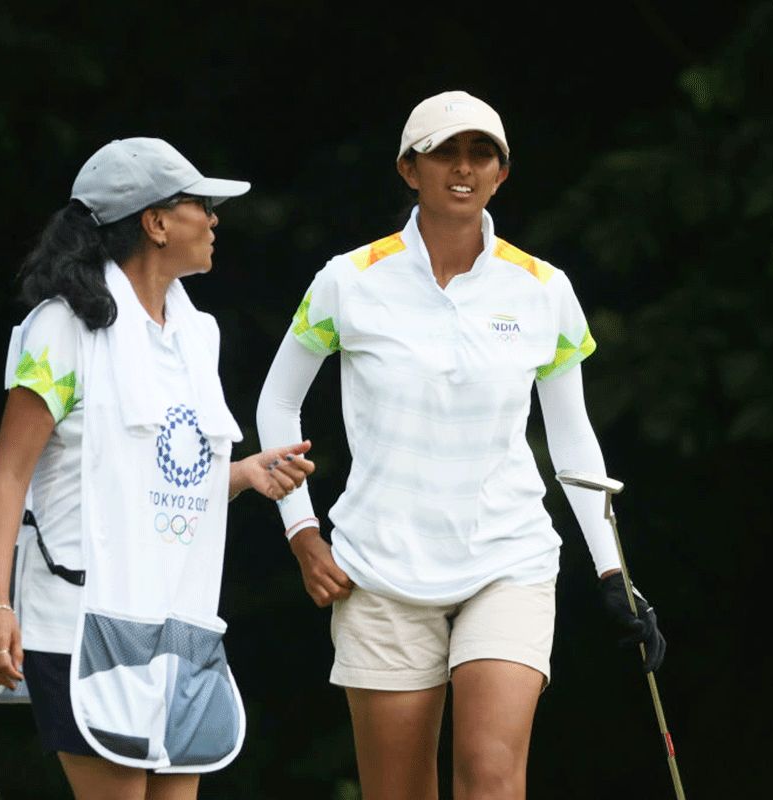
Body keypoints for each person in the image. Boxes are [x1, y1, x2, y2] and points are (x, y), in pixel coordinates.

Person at [255, 91, 667, 800]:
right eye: (444, 151)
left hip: (507, 558)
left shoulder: (543, 289)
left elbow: (572, 438)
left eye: (482, 154)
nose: (464, 167)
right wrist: (302, 532)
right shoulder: (348, 280)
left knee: (491, 780)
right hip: (377, 567)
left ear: (502, 175)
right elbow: (277, 400)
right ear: (407, 169)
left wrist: (612, 573)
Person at [0, 137, 315, 800]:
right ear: (156, 222)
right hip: (80, 625)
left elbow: (151, 477)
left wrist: (242, 474)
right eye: (201, 206)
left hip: (177, 628)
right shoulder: (61, 330)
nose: (215, 220)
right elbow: (9, 474)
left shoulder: (194, 337)